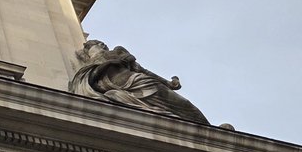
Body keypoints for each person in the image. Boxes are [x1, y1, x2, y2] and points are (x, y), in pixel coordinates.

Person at [69, 39, 209, 125]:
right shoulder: (86, 68)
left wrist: (167, 83)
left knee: (179, 102)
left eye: (99, 44)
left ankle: (206, 126)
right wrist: (109, 64)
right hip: (118, 90)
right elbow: (92, 79)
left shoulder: (116, 51)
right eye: (94, 45)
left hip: (137, 80)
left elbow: (141, 69)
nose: (100, 45)